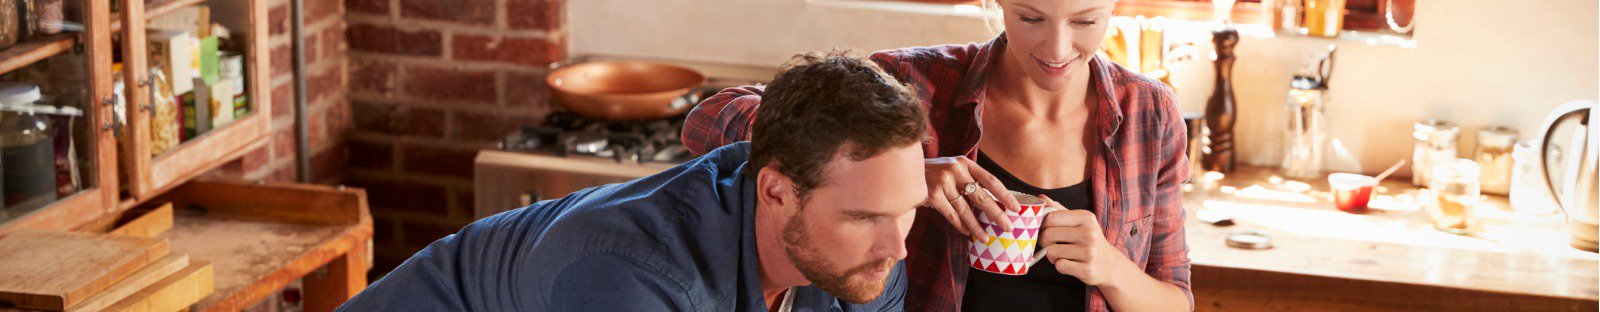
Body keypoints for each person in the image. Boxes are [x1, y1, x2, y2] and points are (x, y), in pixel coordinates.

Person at [681, 0, 1193, 311]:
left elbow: (1175, 302)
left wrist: (1109, 266)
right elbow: (711, 118)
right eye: (1030, 17)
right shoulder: (913, 82)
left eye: (1085, 20)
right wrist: (897, 170)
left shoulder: (1150, 113)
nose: (1057, 48)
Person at [339, 51, 930, 312]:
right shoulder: (637, 278)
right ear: (775, 191)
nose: (897, 246)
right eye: (865, 217)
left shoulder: (859, 252)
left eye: (907, 210)